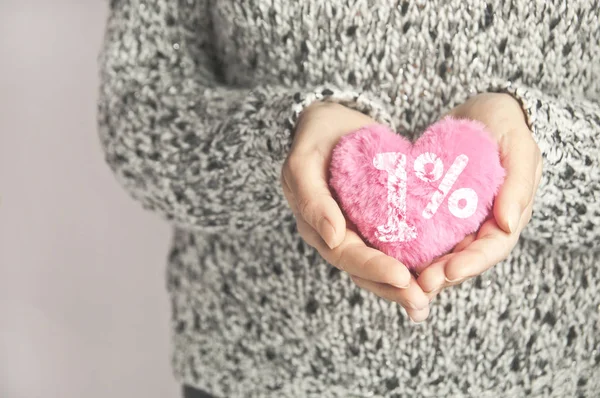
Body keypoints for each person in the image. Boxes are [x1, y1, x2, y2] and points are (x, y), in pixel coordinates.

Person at [98, 0, 600, 396]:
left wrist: (544, 151)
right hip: (259, 372)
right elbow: (139, 112)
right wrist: (283, 143)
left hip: (554, 372)